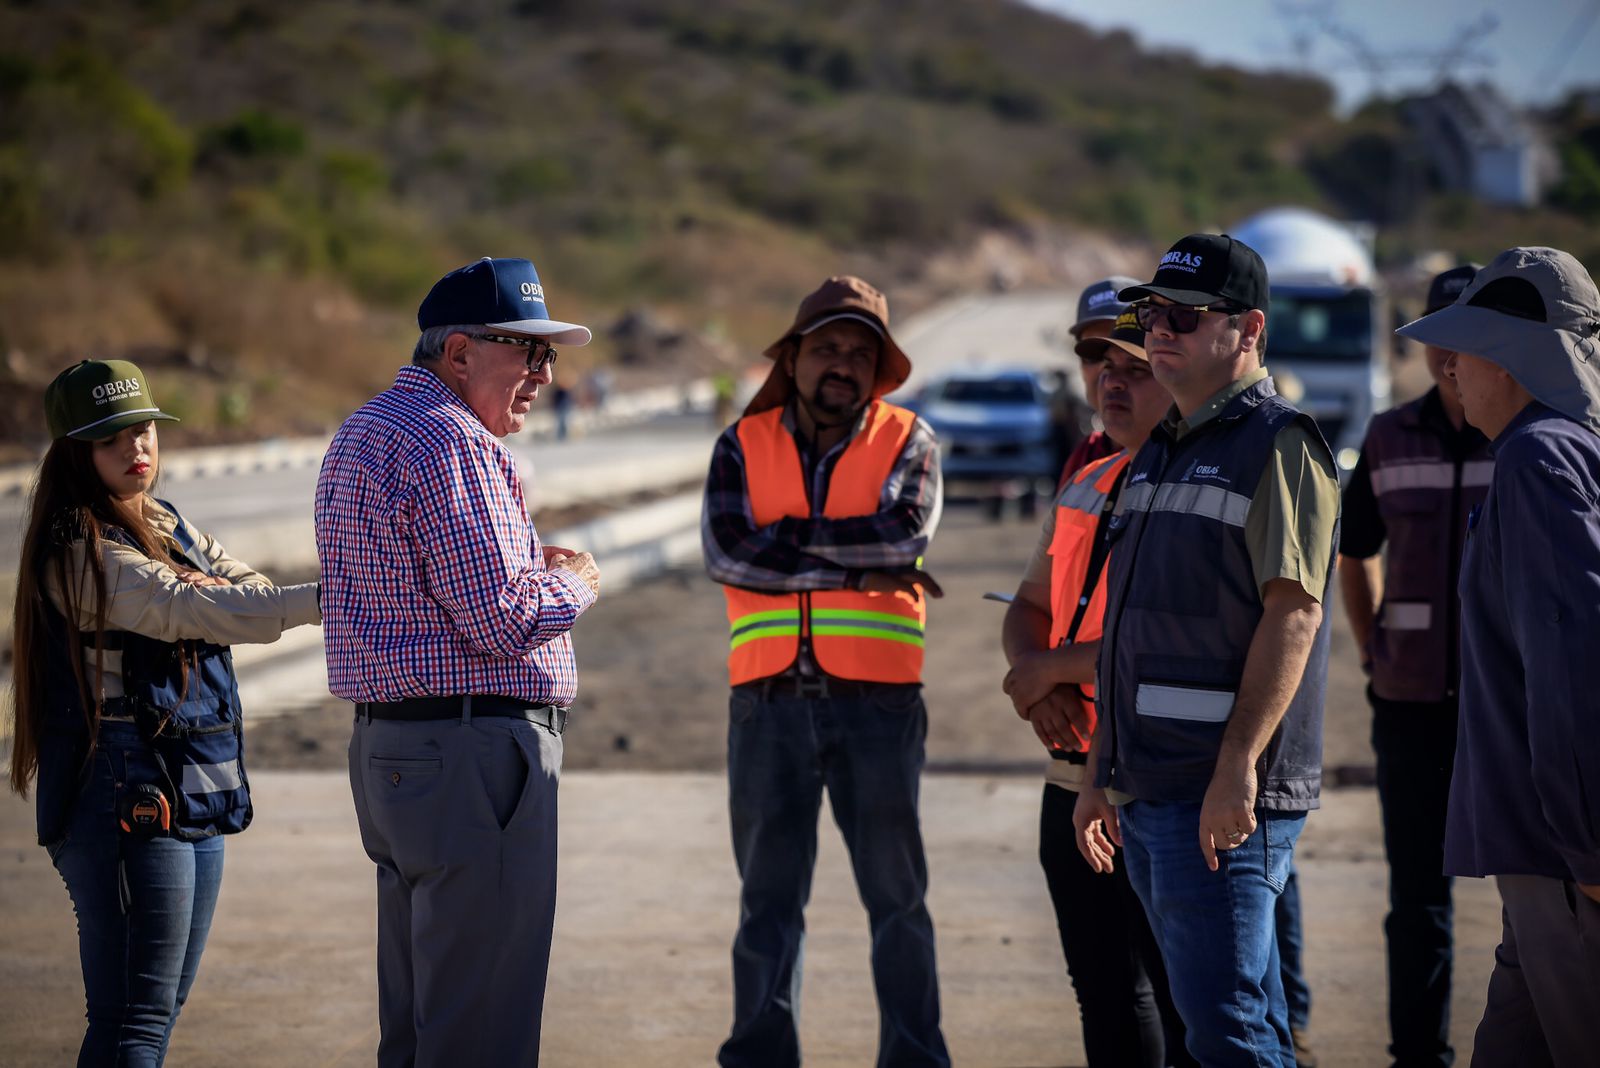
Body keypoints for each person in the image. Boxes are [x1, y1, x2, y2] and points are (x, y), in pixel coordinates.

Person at [314, 256, 602, 1067]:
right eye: (530, 351)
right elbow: (506, 619)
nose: (545, 374)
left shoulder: (364, 430)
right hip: (471, 756)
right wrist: (577, 582)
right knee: (482, 1025)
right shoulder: (453, 442)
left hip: (395, 752)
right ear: (460, 351)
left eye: (550, 355)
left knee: (420, 1021)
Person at [1072, 234, 1341, 1066]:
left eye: (1184, 316)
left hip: (1215, 795)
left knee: (1227, 1030)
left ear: (1249, 329)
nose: (1159, 330)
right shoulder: (1161, 447)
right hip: (1150, 785)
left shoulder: (1279, 444)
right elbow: (1131, 635)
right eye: (1154, 313)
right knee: (1228, 1025)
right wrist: (1099, 773)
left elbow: (1293, 617)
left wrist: (1236, 769)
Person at [8, 358, 321, 1066]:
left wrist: (208, 592)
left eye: (144, 429)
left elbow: (246, 590)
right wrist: (325, 598)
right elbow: (201, 608)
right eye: (111, 437)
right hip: (122, 790)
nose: (136, 446)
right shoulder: (78, 552)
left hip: (185, 781)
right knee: (133, 1024)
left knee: (157, 1012)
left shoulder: (165, 521)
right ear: (76, 453)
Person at [701, 275, 949, 1068]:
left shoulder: (909, 439)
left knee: (897, 902)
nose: (843, 364)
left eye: (860, 354)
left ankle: (915, 1060)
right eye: (828, 348)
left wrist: (785, 542)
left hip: (877, 707)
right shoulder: (741, 444)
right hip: (766, 705)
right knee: (766, 906)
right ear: (794, 358)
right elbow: (727, 553)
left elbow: (901, 537)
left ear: (878, 371)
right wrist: (851, 572)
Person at [1393, 246, 1600, 1067]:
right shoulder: (1566, 448)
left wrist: (1590, 849)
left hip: (1564, 861)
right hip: (1550, 855)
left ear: (1513, 358)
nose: (1448, 367)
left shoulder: (1537, 458)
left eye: (1466, 347)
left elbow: (1573, 665)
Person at [1000, 310, 1195, 1068]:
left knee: (1182, 997)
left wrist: (1049, 670)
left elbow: (1169, 641)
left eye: (1135, 370)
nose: (1113, 383)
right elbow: (1028, 606)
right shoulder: (1087, 482)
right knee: (1104, 991)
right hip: (1070, 771)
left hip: (1149, 778)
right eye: (1105, 368)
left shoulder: (1191, 490)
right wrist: (1034, 681)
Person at [1339, 263, 1488, 1068]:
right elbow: (1354, 552)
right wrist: (1373, 650)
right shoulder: (1389, 436)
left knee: (1542, 894)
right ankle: (1418, 1055)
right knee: (1418, 899)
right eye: (1437, 338)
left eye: (1466, 336)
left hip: (1506, 711)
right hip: (1408, 707)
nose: (1449, 355)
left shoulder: (1529, 434)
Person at [1056, 276, 1141, 486]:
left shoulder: (1178, 460)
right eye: (1092, 353)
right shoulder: (1084, 456)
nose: (1107, 373)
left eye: (1126, 355)